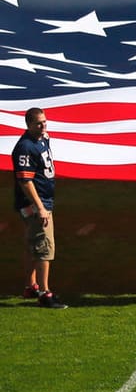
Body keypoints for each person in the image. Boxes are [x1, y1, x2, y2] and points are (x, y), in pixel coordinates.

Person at [13, 108, 60, 309]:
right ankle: (44, 292)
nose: (43, 126)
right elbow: (25, 181)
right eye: (38, 123)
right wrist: (39, 207)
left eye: (45, 122)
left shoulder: (42, 138)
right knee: (44, 247)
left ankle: (31, 286)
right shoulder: (25, 147)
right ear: (28, 124)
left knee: (33, 244)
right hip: (36, 203)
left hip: (43, 200)